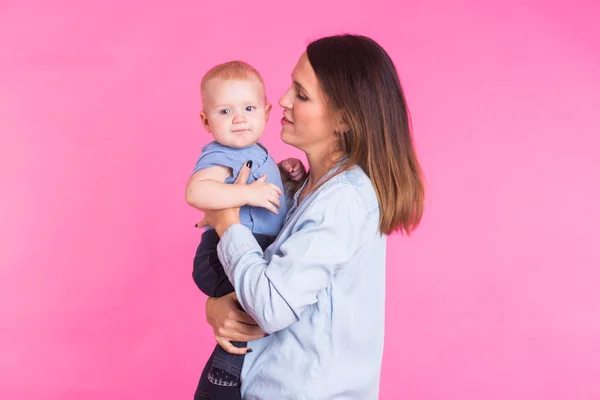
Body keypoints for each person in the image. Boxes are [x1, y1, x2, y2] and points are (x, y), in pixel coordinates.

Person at [196, 34, 425, 399]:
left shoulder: (344, 200)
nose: (283, 100)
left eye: (301, 94)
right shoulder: (307, 188)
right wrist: (218, 307)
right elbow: (271, 292)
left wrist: (227, 222)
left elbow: (271, 307)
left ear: (344, 120)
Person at [185, 61, 305, 400]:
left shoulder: (256, 151)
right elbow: (196, 192)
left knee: (257, 307)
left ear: (266, 113)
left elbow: (258, 181)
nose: (239, 118)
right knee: (249, 308)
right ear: (206, 121)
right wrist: (248, 194)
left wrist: (283, 172)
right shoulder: (220, 155)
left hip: (250, 249)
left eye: (248, 108)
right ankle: (221, 383)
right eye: (225, 111)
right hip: (218, 255)